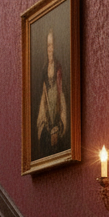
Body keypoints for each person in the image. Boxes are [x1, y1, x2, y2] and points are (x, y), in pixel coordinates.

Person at [35, 28, 68, 159]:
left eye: (52, 45)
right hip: (47, 110)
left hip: (58, 109)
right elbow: (43, 101)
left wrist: (58, 127)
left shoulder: (58, 69)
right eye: (48, 45)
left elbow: (62, 99)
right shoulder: (44, 70)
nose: (50, 48)